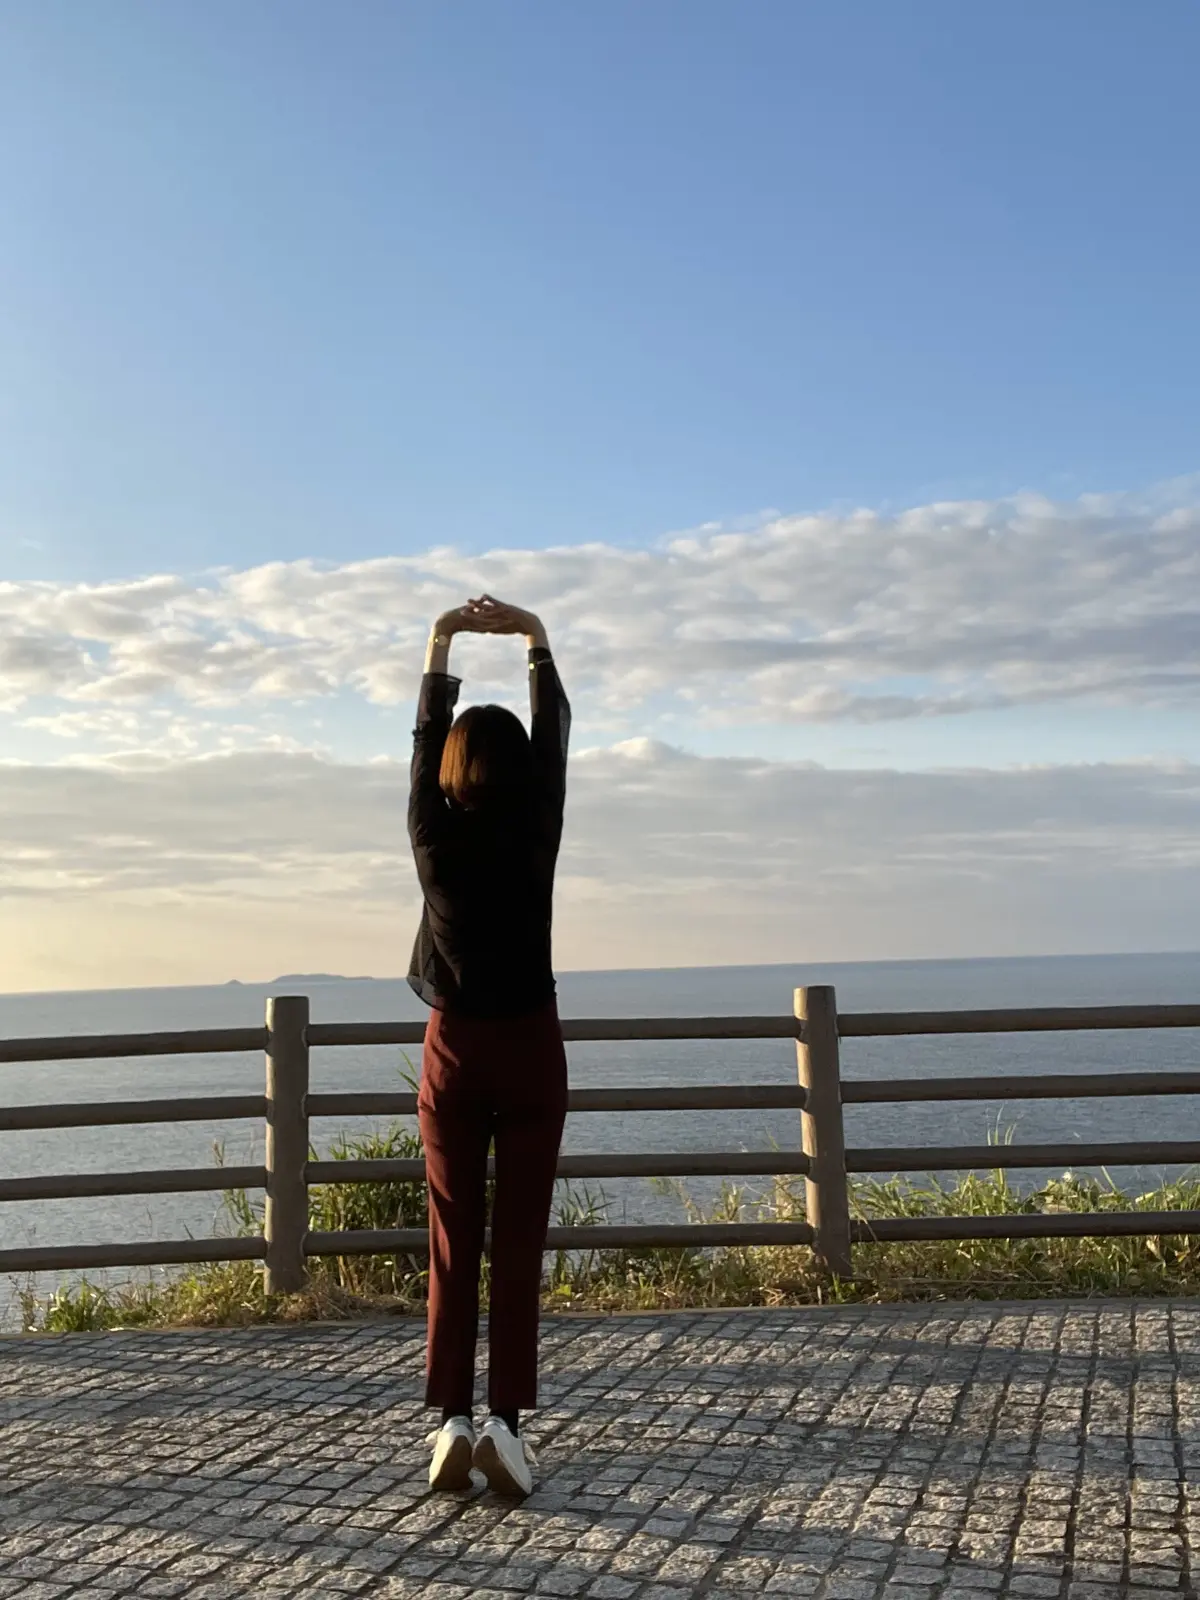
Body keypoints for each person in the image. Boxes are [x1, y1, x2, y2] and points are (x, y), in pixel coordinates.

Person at [407, 592, 571, 1499]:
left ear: (450, 772)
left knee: (451, 1236)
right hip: (532, 1045)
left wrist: (443, 642)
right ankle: (506, 1422)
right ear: (524, 774)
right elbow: (555, 743)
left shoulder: (431, 837)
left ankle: (451, 1422)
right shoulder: (539, 824)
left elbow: (423, 746)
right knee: (517, 1241)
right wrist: (535, 641)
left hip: (455, 1048)